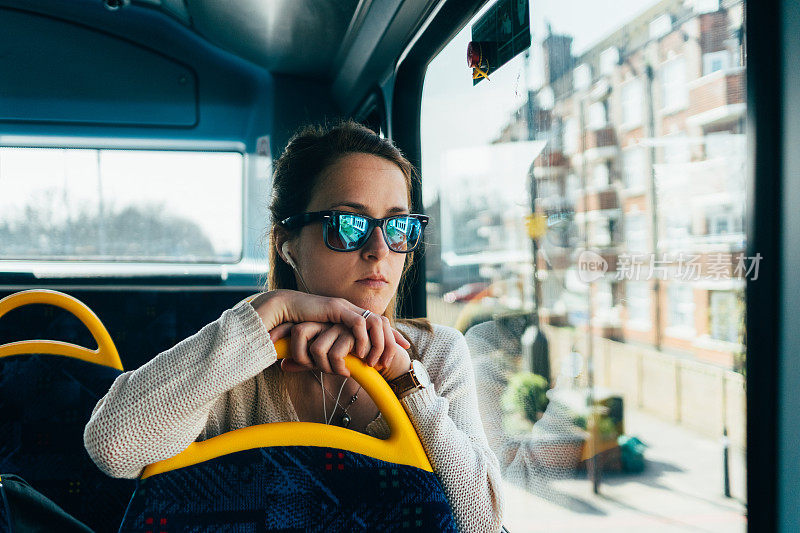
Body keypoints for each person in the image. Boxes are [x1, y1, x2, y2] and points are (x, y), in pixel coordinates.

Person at [83, 120, 505, 532]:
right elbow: (112, 446)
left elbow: (483, 522)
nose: (380, 250)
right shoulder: (239, 357)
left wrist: (404, 378)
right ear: (288, 243)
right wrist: (274, 310)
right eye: (350, 225)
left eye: (397, 226)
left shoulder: (435, 353)